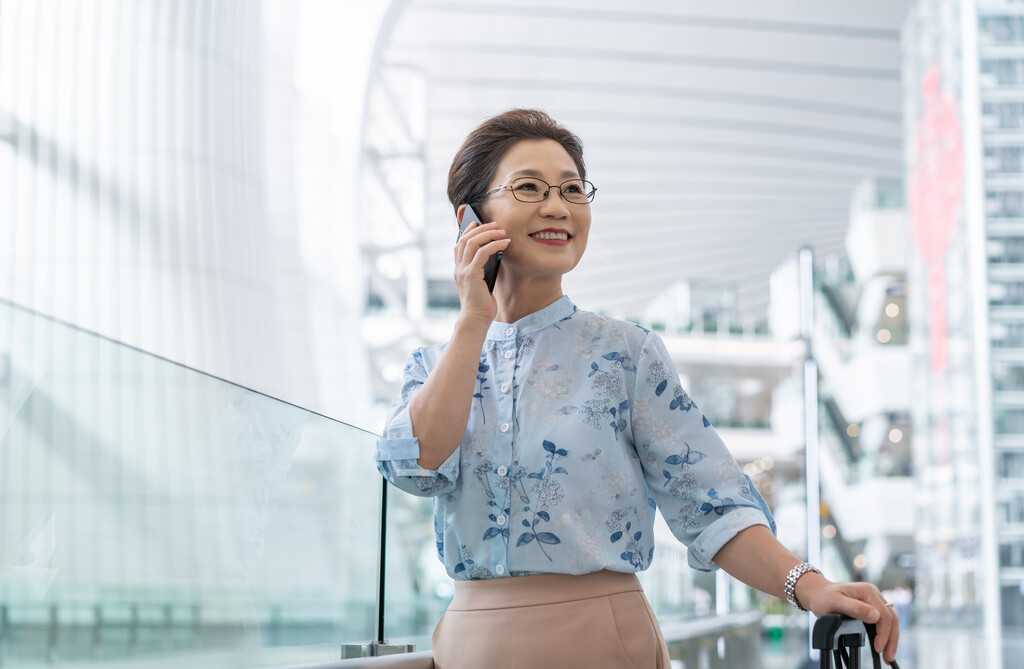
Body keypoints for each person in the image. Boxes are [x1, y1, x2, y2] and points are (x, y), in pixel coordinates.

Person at [375, 108, 900, 668]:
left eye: (573, 190)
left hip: (603, 642)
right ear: (469, 219)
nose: (558, 207)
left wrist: (809, 585)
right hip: (471, 648)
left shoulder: (625, 354)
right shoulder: (433, 366)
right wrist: (472, 320)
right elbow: (414, 465)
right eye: (530, 187)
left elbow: (711, 502)